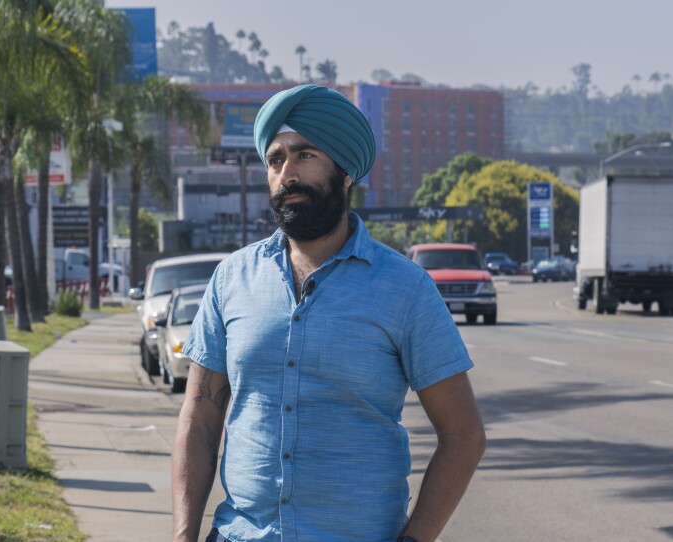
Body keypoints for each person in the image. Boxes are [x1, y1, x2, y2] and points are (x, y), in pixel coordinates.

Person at [172, 84, 486, 542]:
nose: (287, 174)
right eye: (276, 160)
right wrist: (183, 534)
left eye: (305, 155)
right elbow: (199, 418)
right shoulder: (231, 279)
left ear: (345, 174)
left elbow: (464, 436)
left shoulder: (404, 287)